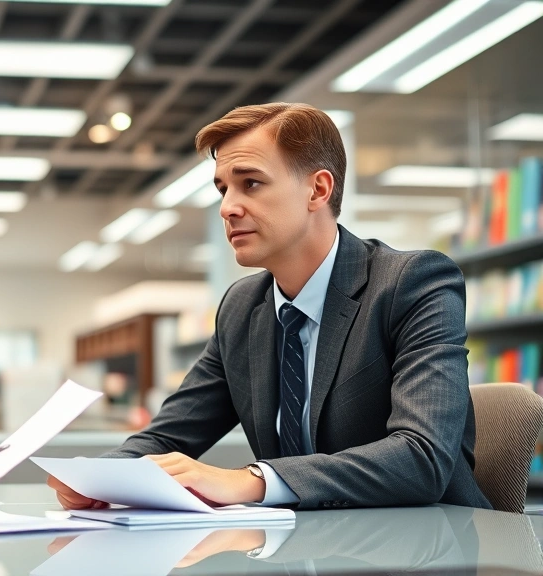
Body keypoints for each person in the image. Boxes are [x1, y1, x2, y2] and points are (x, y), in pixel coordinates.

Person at [49, 102, 492, 512]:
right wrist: (101, 476)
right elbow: (170, 435)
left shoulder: (412, 283)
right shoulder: (241, 308)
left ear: (317, 189)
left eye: (251, 184)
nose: (227, 207)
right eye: (223, 189)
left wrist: (252, 480)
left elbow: (422, 458)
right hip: (304, 546)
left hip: (429, 544)